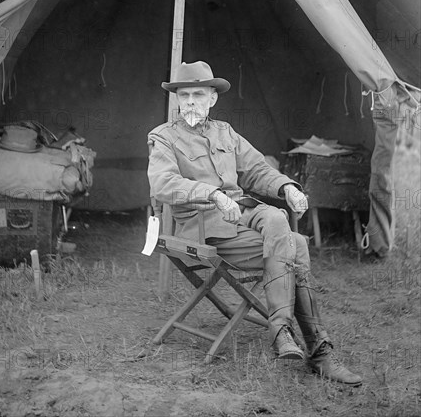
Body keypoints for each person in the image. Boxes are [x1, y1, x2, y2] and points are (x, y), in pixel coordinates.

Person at [147, 61, 362, 386]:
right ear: (177, 98)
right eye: (184, 95)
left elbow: (258, 170)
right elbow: (162, 184)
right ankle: (317, 349)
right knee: (297, 244)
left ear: (212, 99)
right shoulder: (163, 138)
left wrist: (287, 187)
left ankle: (284, 332)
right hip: (203, 228)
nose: (191, 101)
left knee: (275, 215)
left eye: (198, 94)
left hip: (243, 213)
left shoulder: (226, 133)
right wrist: (213, 195)